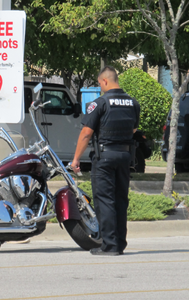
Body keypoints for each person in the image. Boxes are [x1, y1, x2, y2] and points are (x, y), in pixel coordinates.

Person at [70, 66, 140, 256]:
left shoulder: (99, 103)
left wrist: (76, 159)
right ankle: (119, 244)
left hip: (104, 157)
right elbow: (133, 130)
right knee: (120, 200)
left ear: (105, 81)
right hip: (125, 156)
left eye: (100, 83)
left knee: (105, 200)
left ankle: (109, 245)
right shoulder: (132, 103)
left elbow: (86, 133)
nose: (100, 86)